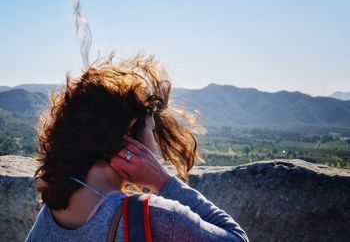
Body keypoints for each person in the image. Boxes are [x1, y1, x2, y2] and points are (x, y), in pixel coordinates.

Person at [25, 55, 249, 241]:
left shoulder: (50, 216)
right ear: (130, 131)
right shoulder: (157, 217)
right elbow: (238, 238)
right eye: (152, 131)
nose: (155, 144)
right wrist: (164, 181)